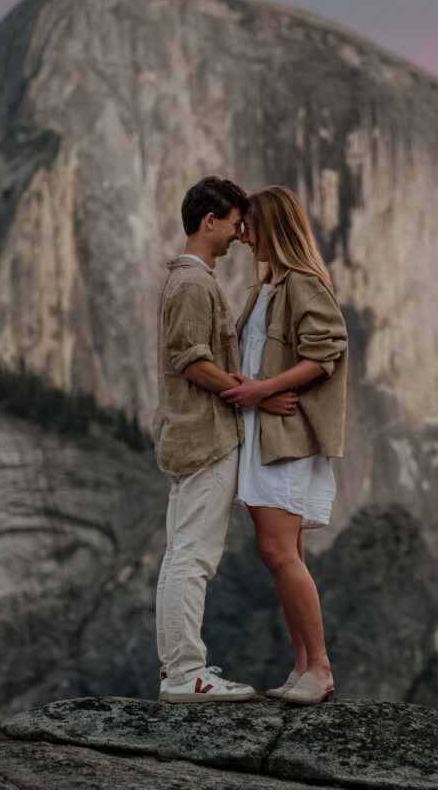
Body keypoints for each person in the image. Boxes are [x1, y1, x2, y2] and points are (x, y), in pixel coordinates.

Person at [153, 176, 298, 703]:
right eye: (237, 224)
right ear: (208, 221)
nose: (242, 235)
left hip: (190, 436)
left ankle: (178, 668)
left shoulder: (188, 280)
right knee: (193, 557)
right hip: (206, 438)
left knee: (181, 556)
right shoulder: (194, 284)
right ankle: (185, 673)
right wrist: (257, 394)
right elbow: (190, 360)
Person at [221, 185, 347, 705]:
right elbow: (258, 366)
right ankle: (302, 669)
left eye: (252, 225)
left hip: (287, 442)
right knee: (283, 552)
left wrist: (264, 391)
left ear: (276, 226)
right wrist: (255, 392)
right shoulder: (266, 289)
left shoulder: (302, 284)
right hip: (264, 435)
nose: (245, 236)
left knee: (277, 550)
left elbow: (326, 351)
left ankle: (318, 668)